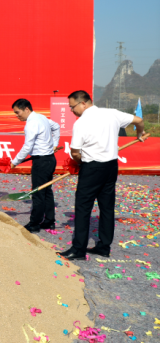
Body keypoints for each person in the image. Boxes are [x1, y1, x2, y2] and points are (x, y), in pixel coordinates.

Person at [59, 90, 145, 260]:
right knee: (106, 208)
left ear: (83, 103)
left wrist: (79, 163)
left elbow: (75, 152)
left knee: (83, 208)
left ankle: (78, 249)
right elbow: (139, 120)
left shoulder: (81, 122)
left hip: (92, 168)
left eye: (72, 107)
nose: (71, 110)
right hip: (111, 167)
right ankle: (104, 247)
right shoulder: (112, 113)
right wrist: (139, 134)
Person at [10, 98, 60, 233]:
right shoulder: (41, 117)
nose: (17, 115)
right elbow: (56, 126)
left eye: (18, 112)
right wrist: (54, 144)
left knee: (38, 192)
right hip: (50, 159)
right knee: (46, 191)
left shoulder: (31, 123)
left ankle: (34, 223)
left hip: (41, 162)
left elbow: (27, 146)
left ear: (26, 109)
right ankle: (49, 221)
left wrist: (15, 162)